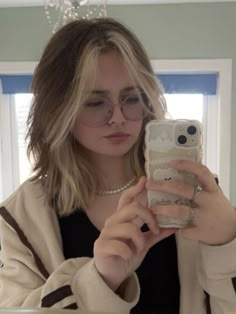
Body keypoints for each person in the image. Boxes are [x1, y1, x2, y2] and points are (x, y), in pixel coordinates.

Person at [0, 17, 235, 314]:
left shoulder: (196, 195)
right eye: (95, 103)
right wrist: (99, 281)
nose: (118, 117)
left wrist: (229, 243)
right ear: (60, 110)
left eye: (132, 98)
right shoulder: (22, 216)